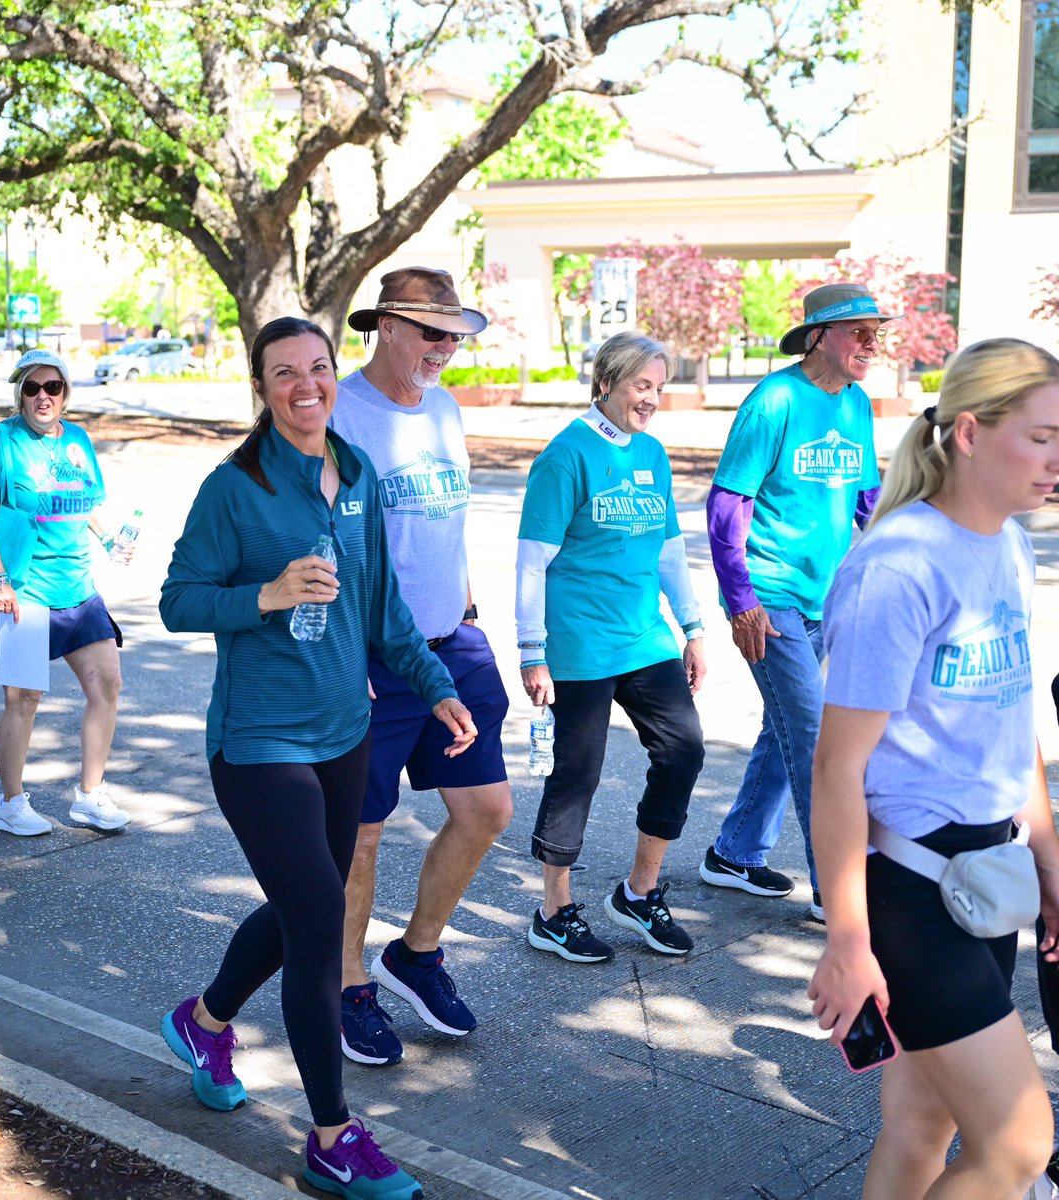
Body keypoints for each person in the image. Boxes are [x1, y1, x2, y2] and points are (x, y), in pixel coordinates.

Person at [159, 316, 476, 1200]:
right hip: (259, 742)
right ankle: (332, 1136)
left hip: (346, 731)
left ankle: (204, 1018)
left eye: (319, 368)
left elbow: (383, 609)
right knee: (315, 923)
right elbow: (179, 600)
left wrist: (437, 682)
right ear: (260, 387)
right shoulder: (235, 488)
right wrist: (264, 594)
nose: (306, 385)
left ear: (335, 375)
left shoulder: (357, 471)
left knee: (312, 903)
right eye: (284, 373)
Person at [808, 338, 1059, 1198]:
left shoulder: (1009, 546)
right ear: (970, 433)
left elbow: (1011, 724)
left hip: (991, 878)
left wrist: (1052, 871)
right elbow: (837, 770)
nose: (1057, 459)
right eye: (1041, 436)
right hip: (911, 891)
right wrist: (846, 941)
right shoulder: (899, 565)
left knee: (922, 1126)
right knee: (1021, 1147)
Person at [330, 266, 512, 1065]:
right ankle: (345, 986)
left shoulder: (443, 406)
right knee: (361, 836)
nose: (445, 347)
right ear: (386, 327)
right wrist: (341, 649)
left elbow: (447, 526)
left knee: (486, 812)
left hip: (453, 645)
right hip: (375, 656)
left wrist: (469, 614)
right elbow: (319, 540)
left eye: (454, 334)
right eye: (431, 331)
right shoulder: (341, 410)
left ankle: (416, 953)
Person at [700, 282, 893, 920]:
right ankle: (840, 897)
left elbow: (868, 498)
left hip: (826, 598)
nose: (872, 343)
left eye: (876, 332)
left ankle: (734, 852)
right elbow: (729, 504)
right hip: (771, 595)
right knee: (817, 740)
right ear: (818, 336)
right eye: (858, 331)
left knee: (783, 728)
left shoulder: (858, 404)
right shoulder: (774, 400)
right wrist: (740, 601)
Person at [515, 331, 707, 962]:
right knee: (578, 773)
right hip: (578, 641)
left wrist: (693, 627)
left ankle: (639, 891)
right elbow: (532, 561)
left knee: (683, 750)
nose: (651, 399)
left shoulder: (651, 452)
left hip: (645, 635)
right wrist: (530, 649)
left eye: (659, 387)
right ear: (605, 385)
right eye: (640, 386)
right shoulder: (565, 455)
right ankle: (554, 910)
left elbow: (670, 549)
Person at [0, 349, 132, 836]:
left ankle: (90, 796)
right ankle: (11, 803)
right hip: (24, 588)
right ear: (20, 392)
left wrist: (108, 538)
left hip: (78, 586)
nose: (42, 396)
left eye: (52, 387)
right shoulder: (0, 439)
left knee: (107, 685)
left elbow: (87, 503)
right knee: (25, 696)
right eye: (32, 388)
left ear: (64, 394)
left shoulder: (77, 439)